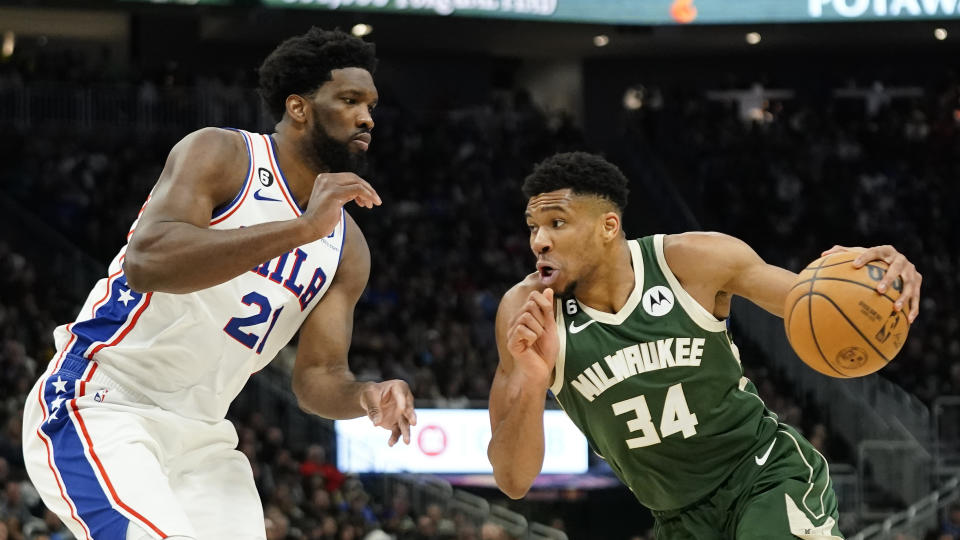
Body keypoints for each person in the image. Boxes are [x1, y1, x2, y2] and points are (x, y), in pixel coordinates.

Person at [22, 28, 416, 540]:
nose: (366, 117)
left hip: (204, 437)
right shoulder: (223, 154)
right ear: (298, 107)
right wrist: (300, 230)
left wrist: (366, 394)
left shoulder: (348, 247)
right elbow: (148, 261)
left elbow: (317, 376)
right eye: (349, 100)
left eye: (371, 105)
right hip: (102, 401)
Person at [487, 152, 922, 539]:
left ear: (608, 226)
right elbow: (513, 479)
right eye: (534, 227)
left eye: (557, 224)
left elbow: (813, 302)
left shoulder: (691, 262)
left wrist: (882, 286)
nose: (538, 241)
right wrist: (532, 379)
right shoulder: (525, 313)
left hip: (765, 476)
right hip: (677, 519)